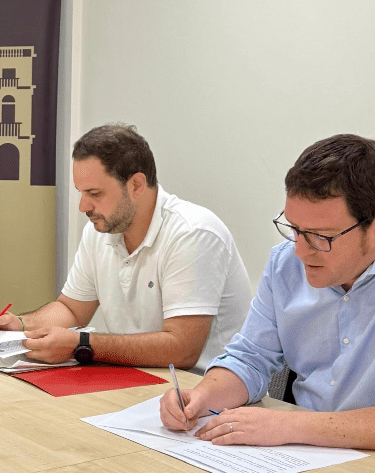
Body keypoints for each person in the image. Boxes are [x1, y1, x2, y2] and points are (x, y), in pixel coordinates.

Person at [160, 133, 375, 449]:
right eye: (295, 229)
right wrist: (201, 397)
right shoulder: (285, 265)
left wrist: (293, 426)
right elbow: (250, 359)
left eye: (321, 236)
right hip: (305, 455)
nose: (300, 251)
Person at [0, 123, 251, 372]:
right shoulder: (99, 231)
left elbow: (182, 350)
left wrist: (82, 344)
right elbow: (72, 310)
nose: (83, 207)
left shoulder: (193, 233)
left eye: (94, 194)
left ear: (136, 185)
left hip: (203, 393)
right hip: (135, 381)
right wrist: (22, 326)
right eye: (81, 192)